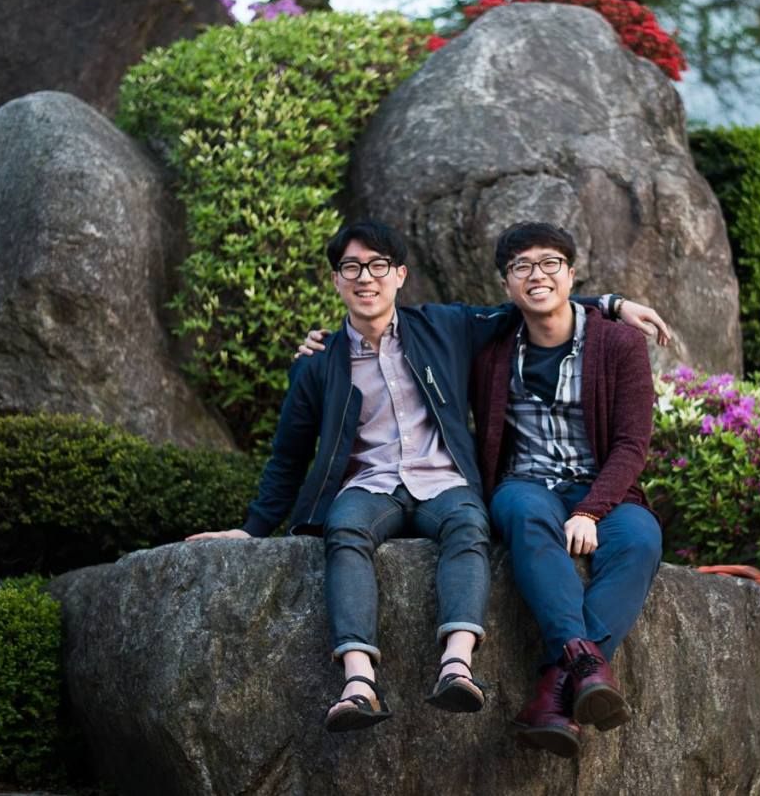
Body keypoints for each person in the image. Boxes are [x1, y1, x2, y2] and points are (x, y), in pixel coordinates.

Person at [193, 219, 668, 734]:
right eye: (351, 268)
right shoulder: (325, 363)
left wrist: (612, 304)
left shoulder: (445, 328)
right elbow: (287, 456)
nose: (365, 278)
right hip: (432, 487)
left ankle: (513, 675)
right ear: (336, 280)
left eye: (378, 266)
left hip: (492, 485)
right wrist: (251, 529)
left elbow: (542, 303)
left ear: (400, 274)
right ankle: (360, 680)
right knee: (366, 527)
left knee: (573, 533)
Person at [470, 222, 662, 759]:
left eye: (550, 263)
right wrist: (327, 346)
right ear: (507, 283)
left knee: (641, 539)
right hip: (524, 483)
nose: (538, 275)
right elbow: (406, 328)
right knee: (525, 514)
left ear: (571, 274)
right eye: (522, 266)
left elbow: (630, 444)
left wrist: (592, 511)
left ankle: (556, 687)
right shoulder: (489, 345)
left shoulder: (619, 343)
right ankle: (586, 667)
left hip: (600, 489)